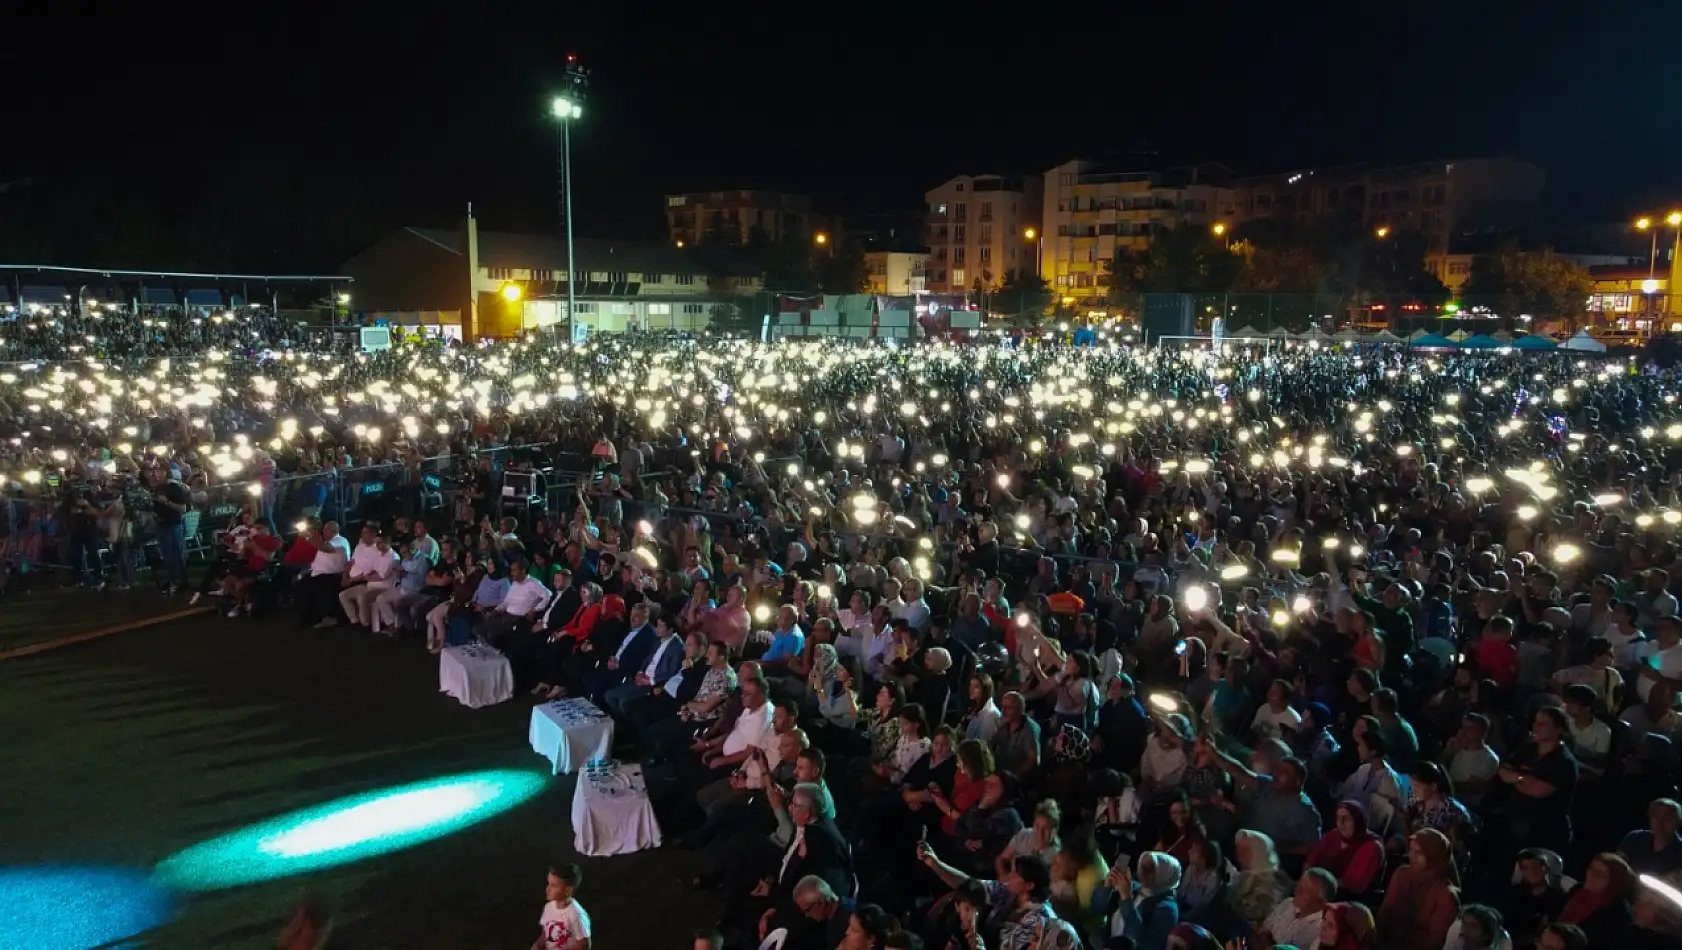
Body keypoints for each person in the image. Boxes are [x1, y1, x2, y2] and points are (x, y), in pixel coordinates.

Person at [1377, 829, 1461, 950]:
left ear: (1434, 855)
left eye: (1420, 852)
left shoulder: (1446, 894)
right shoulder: (1402, 873)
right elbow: (1386, 910)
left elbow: (1435, 941)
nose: (1412, 856)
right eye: (1411, 850)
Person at [1303, 801, 1385, 899]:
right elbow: (1311, 862)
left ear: (1358, 821)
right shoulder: (1331, 837)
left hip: (1350, 898)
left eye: (1346, 819)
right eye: (1338, 818)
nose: (1341, 823)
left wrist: (1318, 887)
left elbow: (1353, 884)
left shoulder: (1372, 846)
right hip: (1320, 889)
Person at [1100, 851, 1180, 950]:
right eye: (1143, 866)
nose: (1143, 871)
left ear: (1163, 875)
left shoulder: (1167, 910)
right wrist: (1107, 887)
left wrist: (1126, 898)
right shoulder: (1133, 887)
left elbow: (1136, 938)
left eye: (1150, 869)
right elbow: (1097, 907)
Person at [1556, 852, 1636, 946]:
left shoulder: (1618, 913)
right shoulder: (1578, 891)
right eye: (1590, 869)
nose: (1591, 875)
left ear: (1614, 881)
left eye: (1599, 874)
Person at [1256, 868, 1336, 950]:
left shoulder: (1321, 928)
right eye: (1298, 886)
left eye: (1302, 891)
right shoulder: (1287, 904)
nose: (1296, 892)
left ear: (1321, 902)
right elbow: (1262, 931)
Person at [533, 863, 590, 950]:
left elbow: (584, 945)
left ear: (567, 891)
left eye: (553, 885)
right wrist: (538, 945)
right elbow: (546, 933)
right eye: (548, 884)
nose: (548, 889)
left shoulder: (576, 914)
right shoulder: (549, 907)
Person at [1620, 798, 1682, 877]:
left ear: (1678, 822)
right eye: (1655, 817)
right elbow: (1616, 866)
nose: (1660, 823)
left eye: (1668, 819)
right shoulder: (1634, 838)